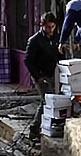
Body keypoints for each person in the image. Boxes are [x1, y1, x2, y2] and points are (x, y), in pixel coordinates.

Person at [24, 12, 62, 140]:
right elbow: (28, 61)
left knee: (56, 101)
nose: (51, 30)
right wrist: (37, 76)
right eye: (48, 27)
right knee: (47, 101)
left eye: (53, 27)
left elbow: (59, 55)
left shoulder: (56, 38)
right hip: (41, 75)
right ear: (42, 26)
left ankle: (49, 126)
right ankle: (35, 128)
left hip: (54, 74)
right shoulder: (34, 41)